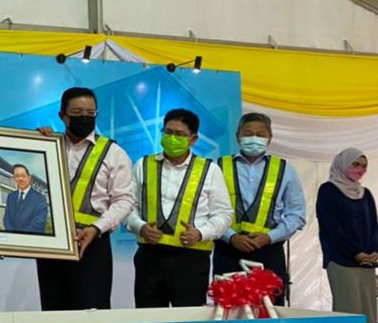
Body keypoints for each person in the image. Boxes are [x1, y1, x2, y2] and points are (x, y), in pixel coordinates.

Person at [35, 88, 134, 311]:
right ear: (62, 116)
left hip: (93, 244)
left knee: (92, 312)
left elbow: (124, 200)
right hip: (52, 244)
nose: (85, 118)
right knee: (53, 312)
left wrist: (97, 228)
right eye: (78, 113)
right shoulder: (46, 145)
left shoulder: (113, 152)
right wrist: (33, 144)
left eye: (91, 113)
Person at [125, 108, 233, 307]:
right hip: (149, 256)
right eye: (168, 132)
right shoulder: (143, 165)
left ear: (193, 139)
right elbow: (129, 206)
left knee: (189, 320)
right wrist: (140, 227)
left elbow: (224, 215)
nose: (172, 138)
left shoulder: (209, 170)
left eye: (180, 134)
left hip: (191, 259)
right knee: (149, 318)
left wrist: (200, 233)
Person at [213, 112, 305, 305]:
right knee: (229, 308)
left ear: (269, 138)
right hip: (228, 249)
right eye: (248, 133)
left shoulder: (285, 170)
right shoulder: (218, 167)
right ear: (238, 136)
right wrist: (231, 236)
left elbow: (296, 215)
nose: (254, 138)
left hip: (269, 250)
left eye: (260, 134)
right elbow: (207, 209)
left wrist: (269, 237)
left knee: (270, 308)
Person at [316, 149, 378, 323]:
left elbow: (374, 226)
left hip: (367, 263)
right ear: (342, 164)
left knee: (369, 315)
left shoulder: (365, 193)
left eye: (363, 165)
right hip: (341, 260)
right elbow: (332, 228)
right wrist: (355, 253)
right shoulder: (328, 190)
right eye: (354, 164)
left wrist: (374, 251)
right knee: (349, 312)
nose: (359, 169)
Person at [3, 164, 48, 234]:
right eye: (17, 176)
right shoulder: (11, 196)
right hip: (13, 237)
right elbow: (7, 218)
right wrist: (12, 233)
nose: (20, 179)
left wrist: (20, 235)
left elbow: (38, 223)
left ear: (29, 178)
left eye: (23, 175)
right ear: (14, 178)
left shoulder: (40, 198)